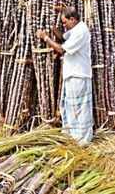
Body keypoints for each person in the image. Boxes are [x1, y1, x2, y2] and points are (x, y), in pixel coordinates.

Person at [36, 7, 94, 146]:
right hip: (73, 75)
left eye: (65, 22)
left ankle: (83, 140)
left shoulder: (81, 31)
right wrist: (52, 26)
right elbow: (63, 38)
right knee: (70, 107)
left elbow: (62, 49)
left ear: (73, 19)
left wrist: (45, 38)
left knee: (79, 109)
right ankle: (74, 136)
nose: (64, 25)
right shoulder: (75, 30)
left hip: (78, 75)